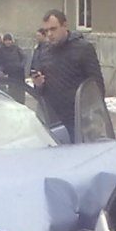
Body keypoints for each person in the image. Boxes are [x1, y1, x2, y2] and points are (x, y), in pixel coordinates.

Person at [31, 9, 104, 137]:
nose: (49, 34)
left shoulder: (83, 48)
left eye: (53, 29)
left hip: (79, 120)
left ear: (65, 26)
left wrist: (93, 115)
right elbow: (39, 91)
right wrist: (38, 84)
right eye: (46, 30)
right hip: (53, 121)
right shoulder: (44, 52)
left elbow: (96, 85)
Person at [0, 33, 27, 104]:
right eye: (6, 40)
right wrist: (3, 70)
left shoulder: (16, 48)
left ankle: (21, 103)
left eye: (9, 40)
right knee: (12, 90)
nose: (8, 42)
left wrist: (21, 65)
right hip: (9, 73)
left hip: (19, 73)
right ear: (4, 41)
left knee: (20, 90)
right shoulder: (1, 49)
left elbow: (24, 57)